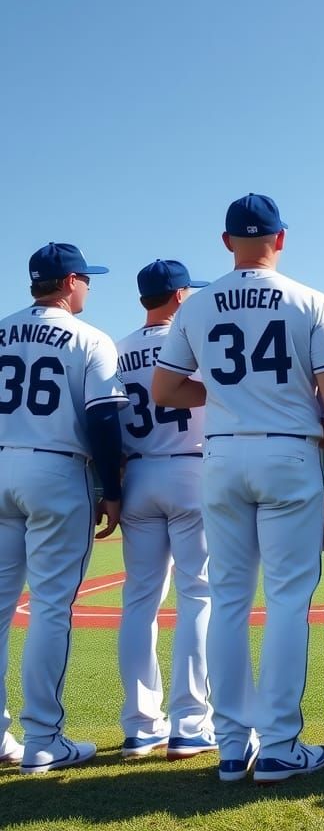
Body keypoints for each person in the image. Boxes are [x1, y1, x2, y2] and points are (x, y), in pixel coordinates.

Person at [152, 194, 324, 784]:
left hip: (221, 454)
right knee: (289, 601)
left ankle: (228, 745)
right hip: (287, 450)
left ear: (226, 242)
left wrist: (223, 396)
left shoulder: (196, 307)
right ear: (282, 238)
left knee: (228, 600)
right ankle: (277, 745)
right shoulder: (310, 298)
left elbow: (164, 390)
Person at [0, 242, 125, 774]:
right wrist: (112, 488)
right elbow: (102, 420)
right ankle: (43, 739)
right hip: (55, 467)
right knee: (51, 607)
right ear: (70, 281)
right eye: (87, 280)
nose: (89, 288)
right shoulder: (90, 337)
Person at [116, 260, 216, 760]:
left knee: (139, 602)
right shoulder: (194, 338)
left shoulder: (118, 348)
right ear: (179, 295)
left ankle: (139, 724)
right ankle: (191, 723)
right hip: (191, 470)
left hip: (136, 474)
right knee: (197, 594)